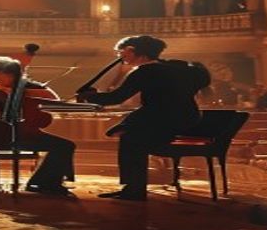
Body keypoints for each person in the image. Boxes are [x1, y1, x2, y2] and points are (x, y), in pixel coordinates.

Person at [77, 35, 208, 201]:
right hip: (187, 118)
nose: (119, 56)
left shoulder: (145, 71)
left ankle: (134, 189)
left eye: (121, 52)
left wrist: (90, 96)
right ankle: (133, 187)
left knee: (131, 140)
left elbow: (117, 98)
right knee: (131, 136)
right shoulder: (175, 67)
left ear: (131, 50)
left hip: (164, 119)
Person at [0, 57, 76, 196]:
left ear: (10, 74)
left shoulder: (34, 88)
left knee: (65, 145)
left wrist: (23, 93)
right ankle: (43, 183)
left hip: (21, 135)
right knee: (64, 146)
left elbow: (53, 101)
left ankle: (42, 182)